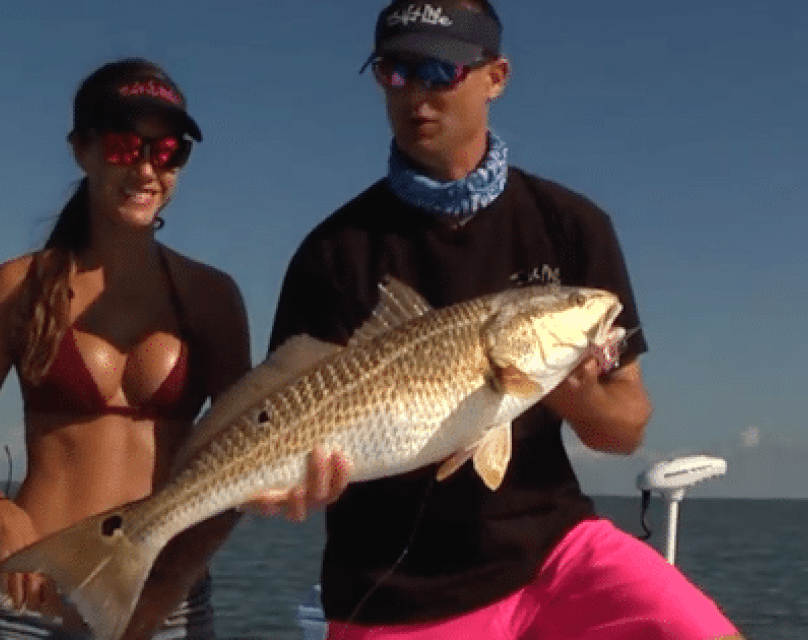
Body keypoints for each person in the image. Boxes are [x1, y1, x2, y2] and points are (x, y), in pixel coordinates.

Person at [268, 2, 744, 638]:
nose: (416, 94)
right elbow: (277, 409)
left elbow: (627, 425)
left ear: (496, 76)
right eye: (395, 71)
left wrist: (578, 398)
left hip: (555, 548)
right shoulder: (333, 252)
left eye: (440, 70)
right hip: (398, 587)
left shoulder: (571, 225)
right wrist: (280, 483)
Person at [0, 58, 252, 640]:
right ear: (82, 149)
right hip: (33, 596)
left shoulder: (212, 297)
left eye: (169, 150)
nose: (148, 168)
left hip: (162, 600)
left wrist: (168, 584)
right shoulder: (19, 287)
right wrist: (0, 516)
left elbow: (244, 461)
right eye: (126, 147)